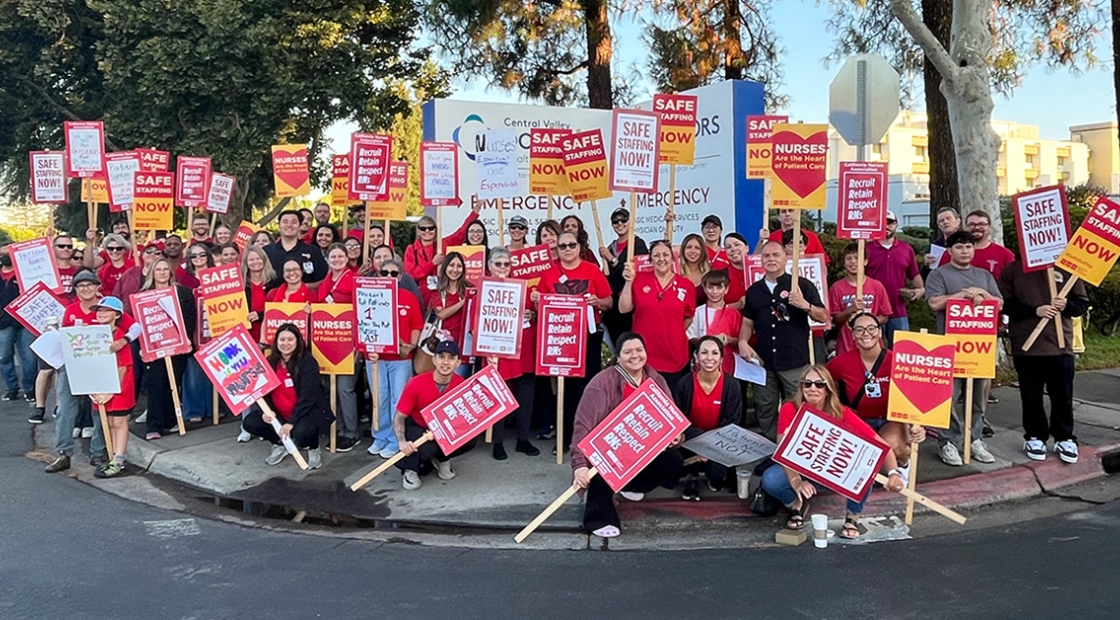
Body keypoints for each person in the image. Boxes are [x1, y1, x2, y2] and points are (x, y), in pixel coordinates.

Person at [760, 365, 904, 539]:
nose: (812, 388)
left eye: (819, 384)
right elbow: (783, 450)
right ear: (801, 388)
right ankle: (796, 504)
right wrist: (797, 481)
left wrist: (894, 473)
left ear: (828, 389)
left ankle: (853, 516)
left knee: (865, 468)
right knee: (770, 479)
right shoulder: (790, 408)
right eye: (807, 384)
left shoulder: (842, 413)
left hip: (831, 473)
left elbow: (882, 447)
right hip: (800, 470)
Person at [570, 332, 684, 538]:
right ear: (618, 356)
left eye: (639, 350)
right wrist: (579, 466)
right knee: (602, 467)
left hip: (640, 450)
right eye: (627, 352)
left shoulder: (655, 379)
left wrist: (676, 437)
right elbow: (582, 426)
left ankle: (631, 485)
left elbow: (671, 416)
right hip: (608, 451)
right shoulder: (601, 384)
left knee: (673, 461)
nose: (635, 356)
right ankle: (597, 519)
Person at [45, 270, 141, 473]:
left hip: (101, 368)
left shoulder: (108, 309)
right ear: (76, 290)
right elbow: (65, 337)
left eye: (89, 285)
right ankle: (63, 453)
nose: (85, 289)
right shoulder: (70, 310)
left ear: (98, 287)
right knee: (65, 410)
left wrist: (124, 340)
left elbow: (135, 328)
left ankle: (98, 452)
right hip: (73, 367)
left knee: (100, 410)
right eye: (80, 286)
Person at [925, 230, 1003, 466]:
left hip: (980, 347)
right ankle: (948, 442)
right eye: (959, 247)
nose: (965, 251)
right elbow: (934, 302)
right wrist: (960, 295)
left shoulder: (984, 275)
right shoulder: (939, 274)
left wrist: (982, 294)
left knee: (978, 397)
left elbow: (998, 303)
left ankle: (974, 439)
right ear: (950, 251)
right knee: (947, 398)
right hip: (949, 347)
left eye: (968, 246)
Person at [999, 262, 1089, 464]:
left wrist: (1066, 305)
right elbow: (1004, 302)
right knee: (1031, 395)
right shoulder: (1013, 270)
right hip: (1026, 344)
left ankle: (1064, 437)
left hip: (1060, 344)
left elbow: (1081, 304)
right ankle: (1035, 436)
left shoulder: (1068, 269)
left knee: (1062, 394)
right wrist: (1034, 311)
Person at [739, 241, 828, 441]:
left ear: (785, 258)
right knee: (765, 407)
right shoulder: (754, 290)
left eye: (775, 255)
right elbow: (747, 322)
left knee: (798, 406)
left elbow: (823, 316)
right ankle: (773, 449)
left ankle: (796, 449)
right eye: (767, 256)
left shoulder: (801, 285)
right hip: (764, 361)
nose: (771, 259)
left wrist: (805, 305)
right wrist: (743, 341)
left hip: (794, 360)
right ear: (760, 260)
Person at [827, 312, 926, 482]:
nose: (866, 333)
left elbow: (918, 392)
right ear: (853, 335)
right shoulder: (842, 362)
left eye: (871, 328)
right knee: (863, 454)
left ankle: (902, 462)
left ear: (880, 332)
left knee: (890, 445)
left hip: (891, 419)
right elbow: (821, 380)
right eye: (860, 329)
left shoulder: (898, 360)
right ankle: (878, 466)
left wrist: (919, 424)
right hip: (859, 419)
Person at [537, 231, 613, 451]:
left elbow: (609, 301)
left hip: (588, 336)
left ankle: (588, 437)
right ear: (557, 250)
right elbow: (541, 304)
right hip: (562, 338)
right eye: (563, 246)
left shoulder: (592, 271)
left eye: (571, 245)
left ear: (579, 247)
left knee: (588, 388)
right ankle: (565, 438)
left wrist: (597, 301)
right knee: (565, 389)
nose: (568, 249)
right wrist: (536, 300)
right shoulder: (549, 274)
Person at [242, 324, 335, 470]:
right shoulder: (270, 362)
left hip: (306, 413)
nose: (286, 343)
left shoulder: (307, 362)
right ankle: (279, 444)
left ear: (298, 341)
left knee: (303, 432)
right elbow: (262, 391)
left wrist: (291, 422)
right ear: (276, 342)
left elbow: (308, 397)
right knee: (250, 423)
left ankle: (313, 447)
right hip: (280, 413)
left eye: (290, 339)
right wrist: (266, 412)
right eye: (282, 339)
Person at [484, 248, 540, 460]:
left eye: (506, 264)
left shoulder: (522, 287)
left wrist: (532, 312)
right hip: (497, 350)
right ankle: (497, 441)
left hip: (523, 349)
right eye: (498, 264)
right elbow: (475, 323)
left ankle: (522, 438)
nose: (502, 268)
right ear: (489, 265)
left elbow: (533, 315)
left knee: (526, 394)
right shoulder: (484, 288)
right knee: (499, 396)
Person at [394, 340, 472, 490]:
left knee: (470, 438)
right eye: (441, 357)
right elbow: (399, 417)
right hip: (418, 426)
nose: (446, 362)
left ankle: (442, 459)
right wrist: (402, 441)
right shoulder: (416, 383)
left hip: (444, 430)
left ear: (458, 362)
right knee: (425, 447)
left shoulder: (461, 385)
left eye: (451, 358)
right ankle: (410, 470)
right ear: (434, 359)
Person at [619, 240, 695, 389]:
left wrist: (672, 331)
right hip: (643, 357)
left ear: (672, 258)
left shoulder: (686, 286)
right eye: (657, 255)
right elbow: (623, 309)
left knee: (672, 406)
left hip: (674, 357)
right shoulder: (638, 279)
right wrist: (628, 282)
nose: (661, 259)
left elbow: (688, 317)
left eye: (666, 255)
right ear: (650, 259)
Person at [367, 258, 423, 459]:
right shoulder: (369, 296)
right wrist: (367, 348)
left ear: (400, 277)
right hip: (375, 357)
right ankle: (380, 436)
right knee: (379, 399)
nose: (389, 277)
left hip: (401, 359)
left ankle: (394, 438)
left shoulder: (409, 297)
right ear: (378, 275)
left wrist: (413, 346)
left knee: (398, 401)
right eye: (385, 273)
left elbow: (417, 324)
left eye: (394, 273)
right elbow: (362, 324)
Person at [673, 336, 742, 499]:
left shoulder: (732, 385)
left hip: (720, 440)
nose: (709, 358)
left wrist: (709, 445)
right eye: (704, 353)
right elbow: (678, 419)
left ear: (721, 358)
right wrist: (699, 443)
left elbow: (734, 420)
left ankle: (713, 474)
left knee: (717, 480)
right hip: (690, 439)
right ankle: (692, 477)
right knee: (695, 434)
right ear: (696, 357)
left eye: (714, 353)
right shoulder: (685, 383)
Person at [139, 259, 196, 440]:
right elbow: (140, 323)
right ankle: (153, 426)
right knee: (156, 384)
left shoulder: (183, 292)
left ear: (170, 273)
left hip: (178, 346)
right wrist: (143, 347)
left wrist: (185, 338)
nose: (162, 273)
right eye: (158, 269)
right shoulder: (144, 295)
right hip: (155, 347)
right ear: (152, 273)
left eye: (165, 269)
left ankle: (171, 421)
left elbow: (190, 316)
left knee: (173, 384)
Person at [313, 243, 361, 451]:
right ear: (327, 259)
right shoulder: (325, 282)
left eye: (341, 256)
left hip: (349, 344)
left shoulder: (354, 280)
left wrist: (358, 346)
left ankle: (351, 432)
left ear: (346, 257)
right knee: (331, 389)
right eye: (333, 256)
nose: (337, 260)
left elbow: (360, 311)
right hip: (328, 345)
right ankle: (338, 430)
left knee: (344, 389)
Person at [85, 296, 137, 479]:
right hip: (102, 385)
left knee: (119, 422)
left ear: (116, 314)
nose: (101, 313)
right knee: (109, 422)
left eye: (106, 310)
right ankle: (113, 456)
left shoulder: (119, 337)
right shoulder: (94, 335)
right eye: (99, 310)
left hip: (119, 387)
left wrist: (110, 391)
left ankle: (118, 460)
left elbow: (123, 368)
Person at [865, 211, 924, 345]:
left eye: (890, 222)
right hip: (873, 311)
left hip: (898, 310)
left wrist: (921, 289)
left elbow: (913, 274)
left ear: (896, 225)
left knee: (901, 351)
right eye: (882, 223)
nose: (886, 226)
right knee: (873, 351)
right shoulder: (867, 249)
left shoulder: (906, 249)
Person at [829, 242, 893, 357]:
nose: (853, 262)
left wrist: (869, 323)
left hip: (873, 347)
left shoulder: (876, 286)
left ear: (865, 261)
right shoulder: (837, 288)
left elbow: (885, 315)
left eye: (857, 258)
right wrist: (850, 310)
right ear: (843, 263)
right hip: (847, 347)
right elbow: (835, 319)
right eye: (848, 258)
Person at [600, 207, 648, 346]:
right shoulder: (611, 247)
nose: (619, 223)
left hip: (630, 303)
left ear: (630, 222)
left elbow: (637, 272)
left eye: (623, 220)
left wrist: (612, 259)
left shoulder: (638, 244)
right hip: (613, 306)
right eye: (615, 221)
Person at [403, 203, 481, 288]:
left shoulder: (442, 244)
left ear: (436, 230)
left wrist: (477, 208)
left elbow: (461, 233)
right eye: (423, 228)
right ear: (418, 231)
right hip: (421, 293)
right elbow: (410, 275)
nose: (427, 231)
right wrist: (432, 263)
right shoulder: (412, 249)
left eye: (431, 228)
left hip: (441, 292)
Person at [685, 270, 742, 375]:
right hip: (702, 364)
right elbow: (691, 337)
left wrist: (728, 339)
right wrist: (705, 342)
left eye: (719, 288)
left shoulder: (734, 314)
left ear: (726, 289)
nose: (715, 292)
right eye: (711, 287)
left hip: (728, 365)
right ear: (704, 288)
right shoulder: (698, 312)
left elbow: (740, 340)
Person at [0, 244, 36, 402]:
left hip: (25, 321)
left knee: (29, 357)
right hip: (2, 322)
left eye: (8, 253)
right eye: (2, 254)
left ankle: (30, 389)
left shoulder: (26, 275)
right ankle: (11, 388)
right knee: (4, 356)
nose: (5, 256)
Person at [264, 210, 328, 287]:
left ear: (300, 226)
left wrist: (298, 288)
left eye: (294, 222)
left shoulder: (312, 251)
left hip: (303, 298)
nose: (289, 225)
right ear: (279, 226)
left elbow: (323, 281)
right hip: (271, 298)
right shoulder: (266, 252)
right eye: (285, 222)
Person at [372, 245, 424, 311]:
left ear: (393, 258)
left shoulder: (406, 280)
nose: (382, 260)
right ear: (372, 260)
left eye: (386, 257)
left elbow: (418, 307)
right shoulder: (367, 279)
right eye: (377, 257)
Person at [242, 246, 275, 344]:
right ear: (246, 263)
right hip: (246, 335)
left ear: (264, 260)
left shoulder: (274, 282)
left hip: (269, 334)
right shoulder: (240, 284)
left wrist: (259, 315)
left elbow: (279, 307)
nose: (255, 262)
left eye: (258, 258)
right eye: (251, 259)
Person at [85, 232, 131, 297]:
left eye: (119, 248)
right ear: (106, 250)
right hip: (111, 303)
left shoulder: (134, 266)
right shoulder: (103, 271)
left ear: (125, 250)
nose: (114, 251)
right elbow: (88, 265)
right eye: (110, 249)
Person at [678, 233, 710, 305]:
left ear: (702, 251)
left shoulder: (710, 274)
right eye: (689, 247)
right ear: (683, 250)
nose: (693, 251)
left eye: (697, 248)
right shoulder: (675, 273)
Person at [720, 233, 750, 309]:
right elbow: (714, 309)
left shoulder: (760, 270)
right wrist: (737, 305)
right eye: (728, 247)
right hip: (733, 319)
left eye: (737, 245)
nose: (733, 249)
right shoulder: (721, 275)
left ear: (747, 248)